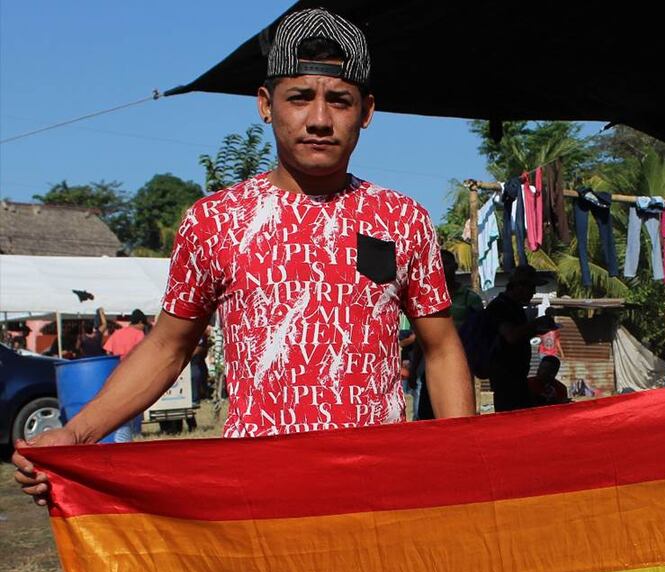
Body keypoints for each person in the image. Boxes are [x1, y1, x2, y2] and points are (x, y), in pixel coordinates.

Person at [15, 7, 473, 504]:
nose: (319, 119)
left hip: (379, 491)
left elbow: (442, 347)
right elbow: (169, 346)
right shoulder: (215, 221)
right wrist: (77, 435)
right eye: (299, 97)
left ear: (366, 111)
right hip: (257, 498)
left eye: (339, 100)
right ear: (265, 104)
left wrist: (471, 462)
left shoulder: (401, 219)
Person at [414, 250, 483, 420]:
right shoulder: (426, 296)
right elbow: (420, 337)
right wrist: (414, 366)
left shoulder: (469, 298)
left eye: (447, 262)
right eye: (439, 262)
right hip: (430, 361)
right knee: (425, 414)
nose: (443, 266)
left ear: (455, 267)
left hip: (461, 361)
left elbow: (480, 330)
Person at [485, 265, 556, 412]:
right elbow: (511, 336)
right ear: (519, 286)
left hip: (517, 377)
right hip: (506, 378)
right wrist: (536, 323)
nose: (533, 292)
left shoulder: (515, 307)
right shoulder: (500, 307)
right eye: (531, 288)